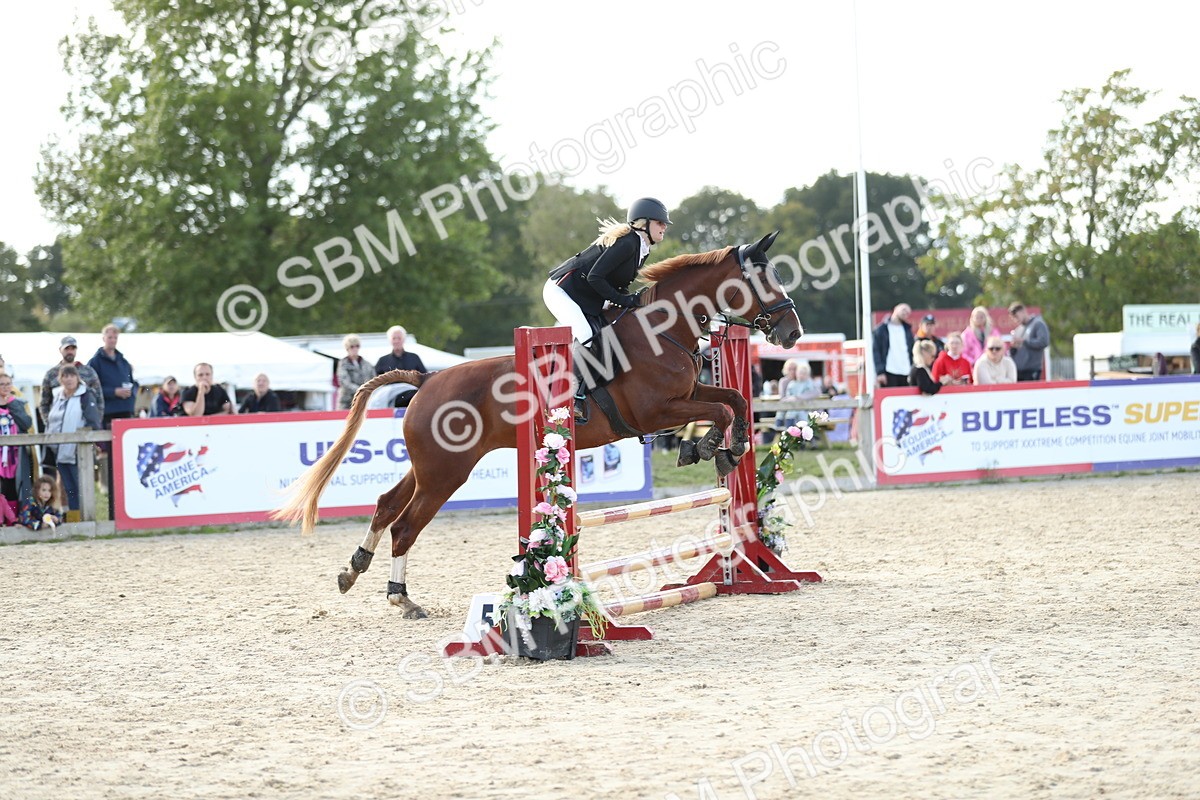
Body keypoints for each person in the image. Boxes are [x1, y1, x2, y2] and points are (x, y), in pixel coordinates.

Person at [544, 197, 670, 412]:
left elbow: (616, 282)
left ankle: (595, 394)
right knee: (586, 335)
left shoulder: (642, 248)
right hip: (562, 291)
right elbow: (595, 277)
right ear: (644, 223)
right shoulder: (628, 243)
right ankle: (569, 399)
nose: (664, 227)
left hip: (586, 297)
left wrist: (633, 302)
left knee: (610, 337)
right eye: (660, 223)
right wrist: (624, 300)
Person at [45, 365, 103, 514]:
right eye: (65, 376)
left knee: (81, 488)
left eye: (72, 376)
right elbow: (52, 420)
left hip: (78, 451)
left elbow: (93, 422)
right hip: (60, 450)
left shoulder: (86, 395)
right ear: (60, 379)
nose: (69, 379)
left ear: (78, 378)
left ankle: (86, 519)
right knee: (68, 488)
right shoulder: (57, 396)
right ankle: (74, 520)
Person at [39, 336, 104, 429]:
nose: (70, 351)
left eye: (73, 348)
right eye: (67, 349)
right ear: (60, 350)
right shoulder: (51, 374)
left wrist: (95, 423)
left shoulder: (88, 372)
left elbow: (99, 399)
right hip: (58, 425)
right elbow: (44, 402)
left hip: (83, 427)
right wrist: (50, 424)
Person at [87, 324, 139, 428]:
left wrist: (131, 393)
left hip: (126, 410)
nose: (113, 340)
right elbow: (90, 388)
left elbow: (133, 383)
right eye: (110, 337)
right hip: (106, 412)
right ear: (103, 338)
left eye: (115, 337)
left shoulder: (124, 362)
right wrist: (114, 392)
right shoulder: (95, 362)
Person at [1, 372, 33, 512]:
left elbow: (26, 423)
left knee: (13, 487)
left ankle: (13, 519)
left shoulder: (18, 403)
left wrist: (11, 404)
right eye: (2, 384)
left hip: (15, 455)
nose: (5, 387)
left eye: (8, 384)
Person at [872, 303, 914, 388]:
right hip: (889, 372)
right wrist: (880, 372)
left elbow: (911, 351)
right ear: (895, 309)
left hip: (906, 371)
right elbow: (876, 351)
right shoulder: (881, 329)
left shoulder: (907, 330)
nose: (905, 313)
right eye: (903, 309)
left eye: (908, 313)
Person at [1009, 302, 1050, 381]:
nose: (1015, 319)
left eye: (1016, 316)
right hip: (1017, 371)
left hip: (1031, 370)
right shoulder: (1018, 329)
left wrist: (1024, 341)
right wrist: (1013, 348)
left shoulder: (1038, 324)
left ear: (1023, 311)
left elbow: (1044, 342)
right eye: (1013, 318)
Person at [776, 361, 820, 429]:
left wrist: (797, 397)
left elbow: (816, 392)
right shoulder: (785, 382)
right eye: (789, 369)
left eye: (794, 369)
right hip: (788, 409)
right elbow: (783, 397)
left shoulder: (806, 381)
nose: (792, 371)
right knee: (782, 413)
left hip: (802, 408)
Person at [337, 334, 374, 410]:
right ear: (347, 348)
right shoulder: (343, 364)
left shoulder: (367, 364)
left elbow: (373, 379)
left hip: (364, 400)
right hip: (347, 402)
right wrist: (361, 389)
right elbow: (344, 382)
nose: (355, 348)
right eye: (352, 346)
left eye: (357, 346)